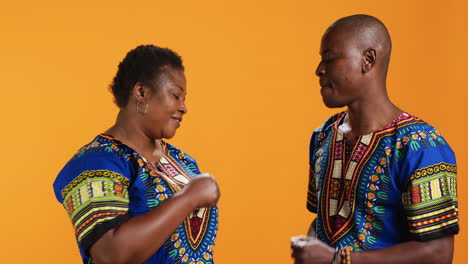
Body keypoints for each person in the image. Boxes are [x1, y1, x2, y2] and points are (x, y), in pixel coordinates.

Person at [291, 15, 458, 264]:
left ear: (367, 60)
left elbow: (439, 254)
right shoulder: (323, 136)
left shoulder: (421, 146)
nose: (319, 69)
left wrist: (339, 260)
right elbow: (325, 220)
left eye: (329, 58)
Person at [53, 45, 220, 264]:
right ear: (141, 92)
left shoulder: (183, 162)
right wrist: (188, 197)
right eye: (176, 95)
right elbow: (110, 254)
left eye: (184, 98)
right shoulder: (95, 162)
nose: (184, 107)